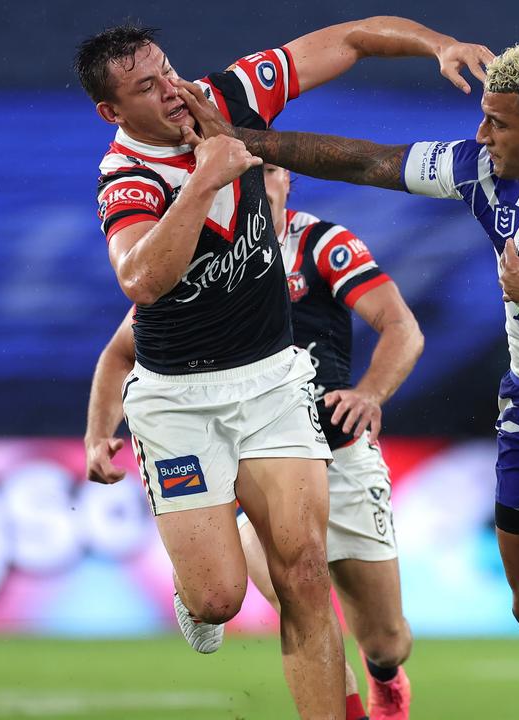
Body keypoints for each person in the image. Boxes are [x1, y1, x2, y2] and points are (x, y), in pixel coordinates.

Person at [179, 40, 519, 720]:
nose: (481, 134)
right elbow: (368, 160)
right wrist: (246, 140)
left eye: (497, 123)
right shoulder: (481, 170)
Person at [75, 19, 490, 717]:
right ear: (112, 113)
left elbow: (352, 38)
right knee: (220, 598)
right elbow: (141, 281)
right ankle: (194, 583)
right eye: (147, 87)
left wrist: (437, 46)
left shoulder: (227, 97)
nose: (172, 90)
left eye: (167, 69)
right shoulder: (126, 178)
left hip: (272, 381)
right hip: (179, 401)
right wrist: (206, 178)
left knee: (302, 575)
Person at [87, 163, 423, 720]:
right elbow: (123, 349)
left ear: (289, 180)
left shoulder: (320, 243)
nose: (256, 179)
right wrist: (100, 432)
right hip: (255, 455)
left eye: (268, 169)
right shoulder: (200, 250)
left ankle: (386, 677)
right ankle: (194, 565)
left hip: (338, 454)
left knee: (385, 639)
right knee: (303, 595)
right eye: (246, 169)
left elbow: (401, 326)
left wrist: (370, 393)